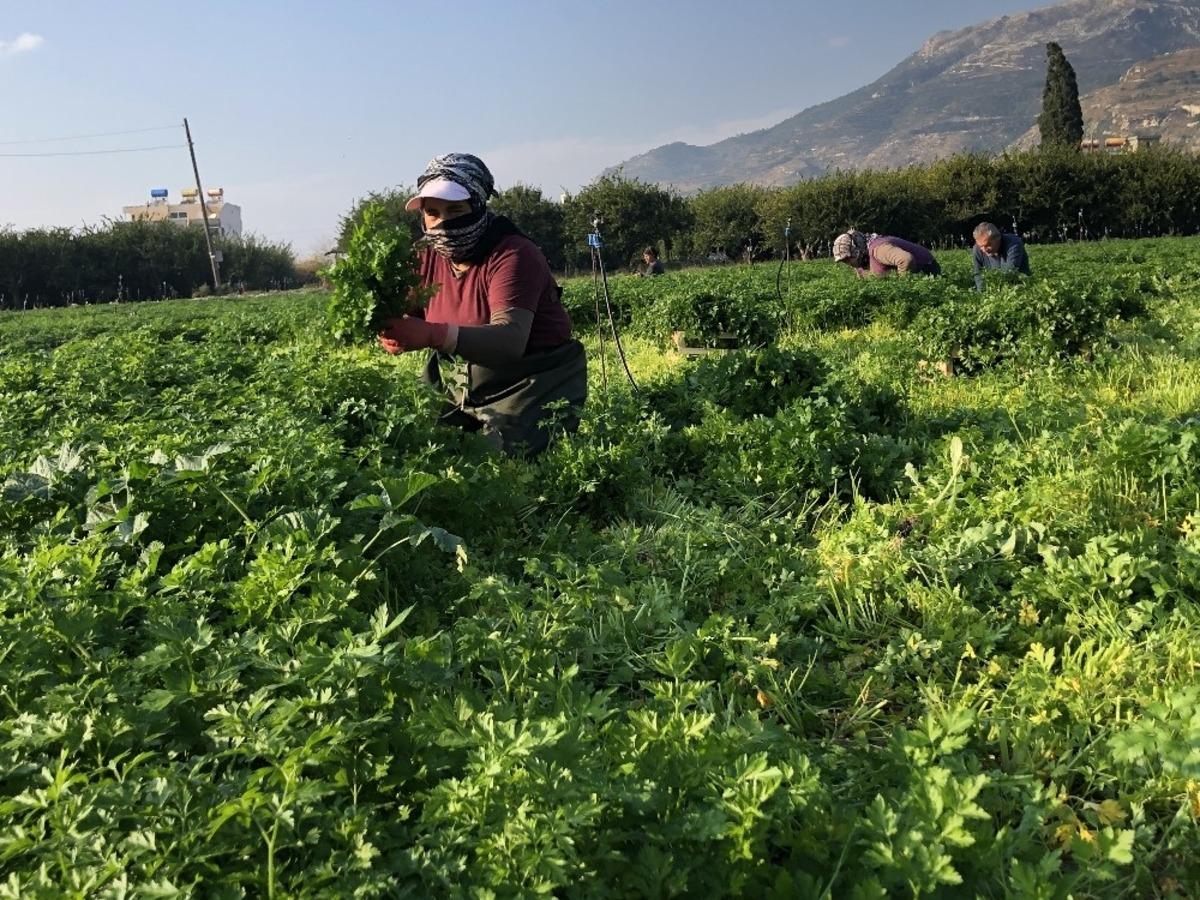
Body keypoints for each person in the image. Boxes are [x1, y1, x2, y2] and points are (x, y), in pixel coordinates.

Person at [377, 153, 585, 457]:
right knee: (419, 450)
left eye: (455, 210)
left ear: (477, 206)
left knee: (503, 467)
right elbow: (410, 314)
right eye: (432, 212)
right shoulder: (425, 255)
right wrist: (393, 328)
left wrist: (432, 334)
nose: (443, 223)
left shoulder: (512, 255)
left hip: (529, 381)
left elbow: (510, 340)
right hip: (458, 378)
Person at [832, 230, 941, 277]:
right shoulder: (860, 262)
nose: (848, 263)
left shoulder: (879, 250)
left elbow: (906, 260)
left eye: (847, 259)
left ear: (856, 250)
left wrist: (902, 287)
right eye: (844, 261)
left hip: (928, 271)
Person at [971, 221, 1030, 291]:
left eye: (988, 245)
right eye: (981, 246)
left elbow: (1010, 272)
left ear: (998, 238)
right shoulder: (977, 249)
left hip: (1020, 288)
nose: (984, 250)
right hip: (993, 290)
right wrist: (982, 293)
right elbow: (978, 274)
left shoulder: (1013, 243)